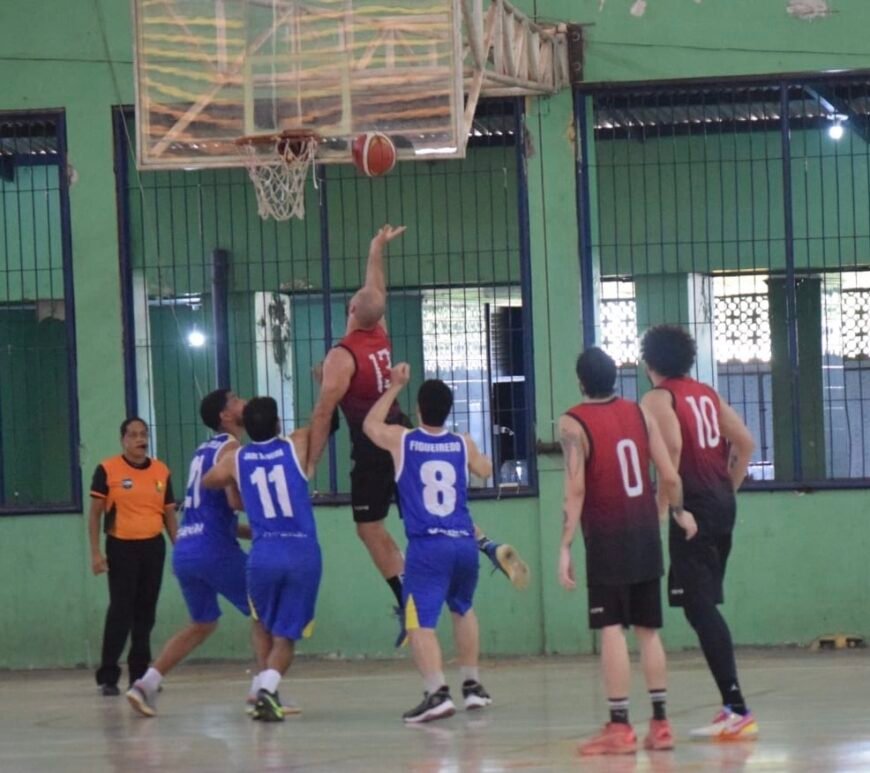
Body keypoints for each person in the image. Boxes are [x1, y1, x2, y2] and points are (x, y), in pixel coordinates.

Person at [307, 225, 528, 644]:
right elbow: (376, 287)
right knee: (437, 509)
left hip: (374, 442)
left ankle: (404, 596)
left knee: (368, 526)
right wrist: (376, 247)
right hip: (404, 430)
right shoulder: (380, 332)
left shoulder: (341, 356)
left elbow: (322, 413)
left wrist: (312, 462)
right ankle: (485, 543)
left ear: (350, 309)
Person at [559, 347, 693, 755]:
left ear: (580, 381)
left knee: (612, 627)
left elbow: (575, 489)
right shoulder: (641, 413)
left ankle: (620, 726)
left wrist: (565, 546)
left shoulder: (573, 422)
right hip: (645, 533)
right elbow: (669, 475)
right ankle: (661, 724)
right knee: (649, 630)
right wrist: (678, 513)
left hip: (607, 537)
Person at [640, 325, 758, 741]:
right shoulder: (705, 393)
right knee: (699, 605)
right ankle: (731, 706)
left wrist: (666, 510)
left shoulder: (658, 399)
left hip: (691, 508)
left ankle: (737, 708)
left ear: (648, 361)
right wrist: (727, 489)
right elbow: (745, 442)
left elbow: (670, 453)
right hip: (721, 503)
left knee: (701, 607)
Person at [125, 389, 272, 717]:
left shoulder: (201, 451)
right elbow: (234, 502)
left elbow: (213, 514)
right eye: (236, 399)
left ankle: (145, 684)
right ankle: (263, 692)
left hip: (187, 548)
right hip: (213, 550)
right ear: (225, 415)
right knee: (266, 609)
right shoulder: (232, 449)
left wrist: (251, 532)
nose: (243, 402)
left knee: (202, 623)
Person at [363, 364, 493, 723]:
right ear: (448, 410)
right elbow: (485, 470)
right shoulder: (462, 443)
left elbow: (370, 425)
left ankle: (437, 694)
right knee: (463, 609)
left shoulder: (402, 440)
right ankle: (472, 687)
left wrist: (394, 386)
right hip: (464, 544)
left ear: (419, 408)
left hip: (428, 547)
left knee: (418, 622)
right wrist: (473, 451)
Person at [203, 396, 322, 722]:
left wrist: (235, 486)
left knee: (260, 622)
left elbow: (209, 480)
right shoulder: (296, 444)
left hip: (264, 553)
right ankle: (266, 690)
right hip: (301, 552)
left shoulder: (237, 458)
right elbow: (322, 416)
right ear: (278, 423)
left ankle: (261, 689)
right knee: (285, 637)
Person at [88, 417, 178, 696]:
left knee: (146, 613)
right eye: (134, 435)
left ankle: (140, 676)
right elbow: (95, 514)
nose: (140, 440)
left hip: (153, 548)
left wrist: (181, 549)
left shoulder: (161, 471)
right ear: (123, 440)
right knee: (121, 610)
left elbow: (169, 514)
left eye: (144, 434)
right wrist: (96, 552)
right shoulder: (107, 470)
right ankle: (108, 676)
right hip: (121, 547)